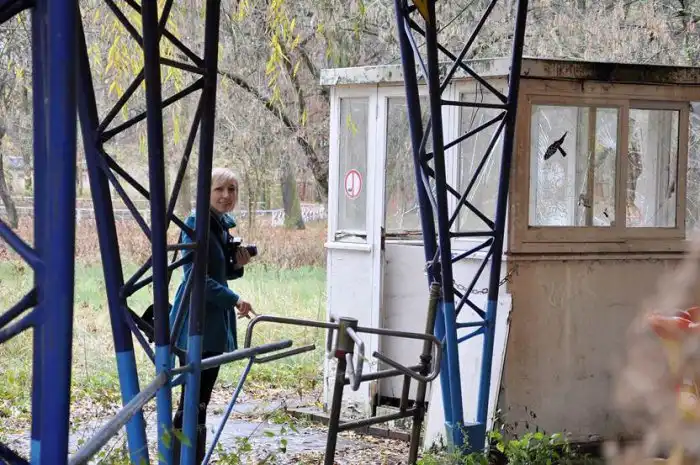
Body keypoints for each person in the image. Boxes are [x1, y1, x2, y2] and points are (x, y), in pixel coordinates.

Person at [169, 167, 255, 464]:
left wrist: (236, 265)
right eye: (219, 189)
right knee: (192, 399)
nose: (226, 195)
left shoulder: (219, 224)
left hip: (212, 321)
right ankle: (181, 458)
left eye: (232, 189)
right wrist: (235, 299)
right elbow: (196, 278)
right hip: (196, 320)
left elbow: (217, 271)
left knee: (200, 399)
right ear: (205, 192)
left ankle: (190, 457)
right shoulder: (197, 224)